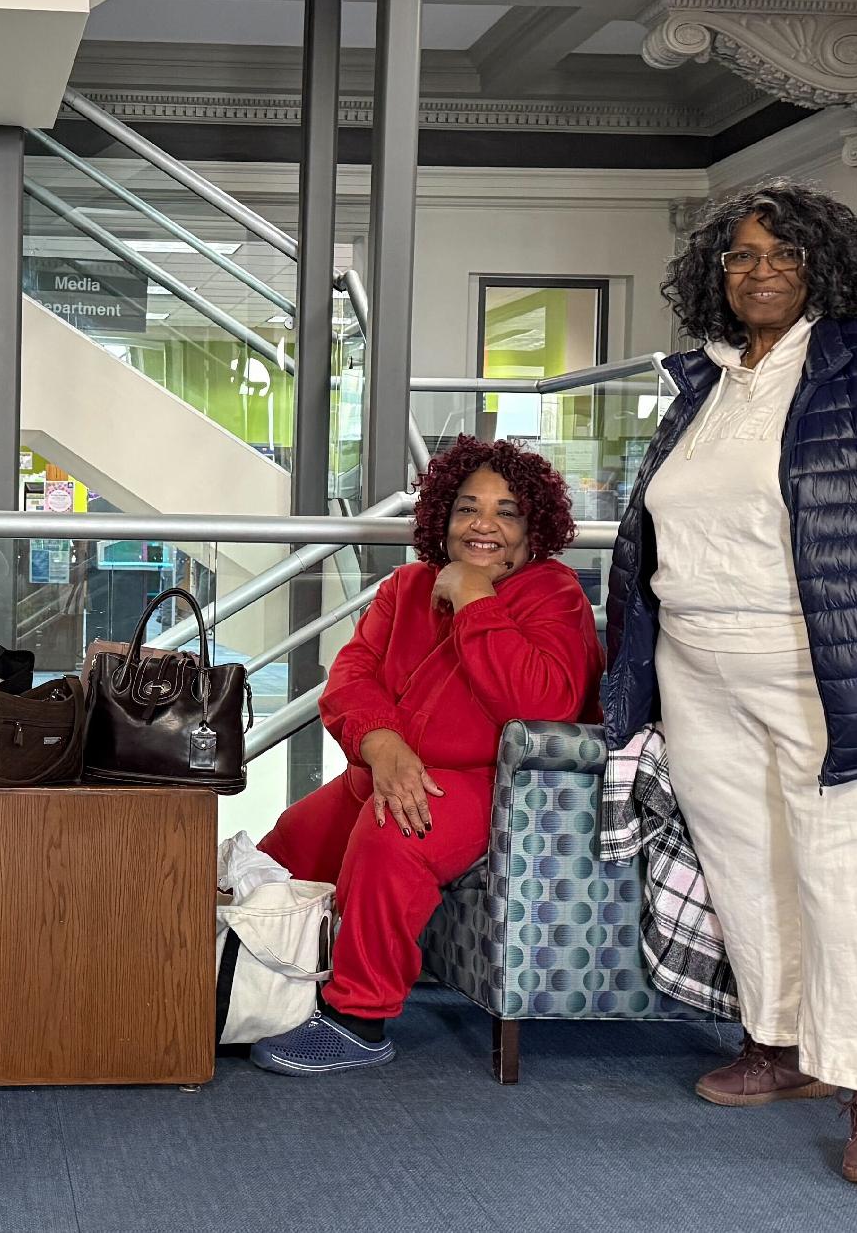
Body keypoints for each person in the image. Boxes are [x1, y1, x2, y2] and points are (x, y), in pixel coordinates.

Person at [601, 179, 857, 1189]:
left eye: (783, 254)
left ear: (823, 264)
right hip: (699, 665)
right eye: (740, 255)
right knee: (750, 868)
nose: (759, 272)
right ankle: (785, 1042)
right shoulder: (709, 380)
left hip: (836, 668)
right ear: (714, 273)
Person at [250, 436, 602, 1074]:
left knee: (394, 833)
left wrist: (473, 598)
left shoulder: (555, 593)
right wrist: (380, 743)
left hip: (498, 785)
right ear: (443, 517)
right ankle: (246, 988)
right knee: (283, 847)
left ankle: (359, 1019)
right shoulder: (406, 586)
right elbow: (351, 678)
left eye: (506, 512)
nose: (483, 525)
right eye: (468, 508)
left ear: (534, 529)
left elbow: (543, 702)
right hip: (385, 768)